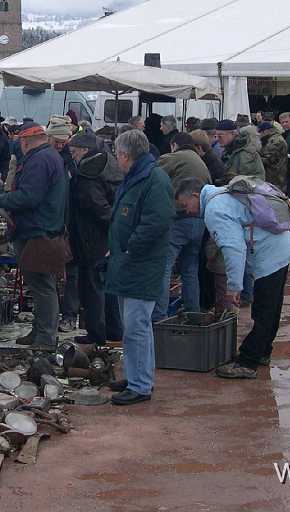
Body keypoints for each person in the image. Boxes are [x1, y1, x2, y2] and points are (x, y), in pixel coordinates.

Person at [176, 176, 290, 379]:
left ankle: (247, 361)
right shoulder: (221, 193)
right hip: (280, 247)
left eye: (185, 205)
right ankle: (262, 352)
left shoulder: (213, 210)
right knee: (271, 307)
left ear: (195, 195)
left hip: (270, 254)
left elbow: (233, 247)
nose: (187, 211)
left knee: (263, 310)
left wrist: (234, 286)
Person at [105, 129, 174, 405]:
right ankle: (136, 376)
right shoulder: (137, 177)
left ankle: (141, 385)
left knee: (136, 326)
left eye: (117, 155)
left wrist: (130, 246)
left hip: (141, 264)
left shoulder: (153, 179)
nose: (117, 160)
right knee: (132, 326)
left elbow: (156, 222)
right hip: (129, 262)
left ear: (125, 155)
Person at [0, 123, 69, 348]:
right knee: (41, 285)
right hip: (43, 228)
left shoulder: (39, 160)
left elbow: (30, 197)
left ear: (25, 141)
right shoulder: (49, 156)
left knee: (42, 286)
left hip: (37, 231)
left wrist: (3, 200)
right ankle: (40, 332)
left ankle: (45, 338)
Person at [67, 131, 124, 344]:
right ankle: (114, 329)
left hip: (91, 238)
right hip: (104, 238)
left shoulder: (87, 176)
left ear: (84, 150)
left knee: (92, 288)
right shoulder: (107, 165)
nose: (72, 156)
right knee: (106, 287)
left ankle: (96, 333)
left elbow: (99, 208)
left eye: (74, 152)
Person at [156, 132, 211, 317]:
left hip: (180, 218)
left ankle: (159, 315)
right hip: (200, 222)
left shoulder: (174, 158)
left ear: (174, 145)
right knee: (190, 268)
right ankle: (192, 312)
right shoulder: (201, 162)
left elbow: (152, 175)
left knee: (164, 266)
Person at [45, 115, 78, 331]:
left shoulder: (70, 159)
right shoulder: (46, 157)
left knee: (71, 269)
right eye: (56, 140)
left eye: (63, 141)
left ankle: (68, 315)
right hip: (53, 222)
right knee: (50, 270)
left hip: (69, 221)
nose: (60, 144)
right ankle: (53, 315)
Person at [258, 121, 288, 192]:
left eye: (260, 133)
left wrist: (255, 158)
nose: (259, 135)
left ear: (265, 131)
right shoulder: (273, 138)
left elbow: (269, 159)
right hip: (275, 178)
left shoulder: (275, 141)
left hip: (275, 179)